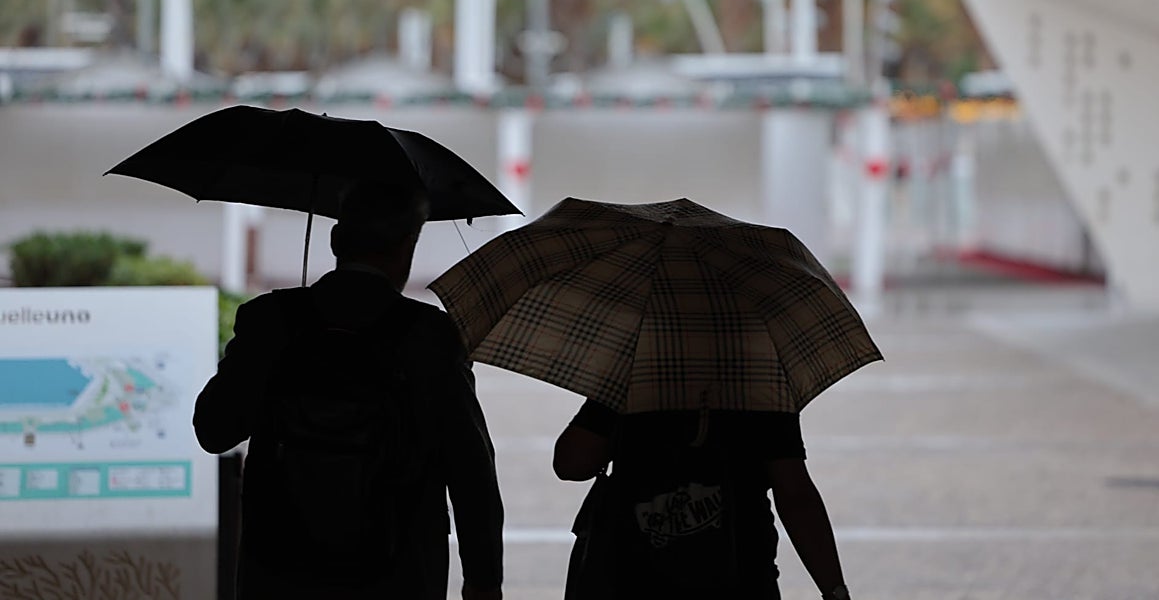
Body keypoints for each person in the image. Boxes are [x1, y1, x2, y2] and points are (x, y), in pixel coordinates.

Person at [194, 180, 504, 600]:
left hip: (280, 570)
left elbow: (214, 430)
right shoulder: (430, 335)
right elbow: (470, 467)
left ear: (336, 239)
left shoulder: (269, 319)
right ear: (408, 247)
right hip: (398, 572)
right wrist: (484, 581)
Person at [554, 400, 850, 600]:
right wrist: (834, 590)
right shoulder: (760, 383)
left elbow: (571, 463)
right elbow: (795, 495)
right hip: (741, 574)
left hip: (632, 576)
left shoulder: (634, 370)